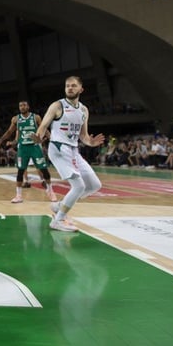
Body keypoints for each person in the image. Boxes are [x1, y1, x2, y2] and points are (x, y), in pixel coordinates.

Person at [32, 76, 105, 232]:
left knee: (94, 185)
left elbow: (83, 136)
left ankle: (59, 206)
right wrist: (39, 137)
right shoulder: (58, 106)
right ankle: (58, 221)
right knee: (78, 186)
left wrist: (91, 143)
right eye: (67, 86)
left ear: (81, 89)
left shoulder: (84, 110)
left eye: (73, 86)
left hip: (73, 150)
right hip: (58, 148)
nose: (70, 88)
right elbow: (44, 125)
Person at [0, 101, 58, 203]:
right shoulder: (16, 119)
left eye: (24, 105)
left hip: (35, 147)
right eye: (20, 105)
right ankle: (19, 195)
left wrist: (52, 139)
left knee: (44, 169)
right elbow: (9, 132)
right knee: (20, 171)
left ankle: (50, 191)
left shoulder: (36, 117)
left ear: (28, 106)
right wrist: (1, 140)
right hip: (23, 148)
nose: (22, 107)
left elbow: (44, 129)